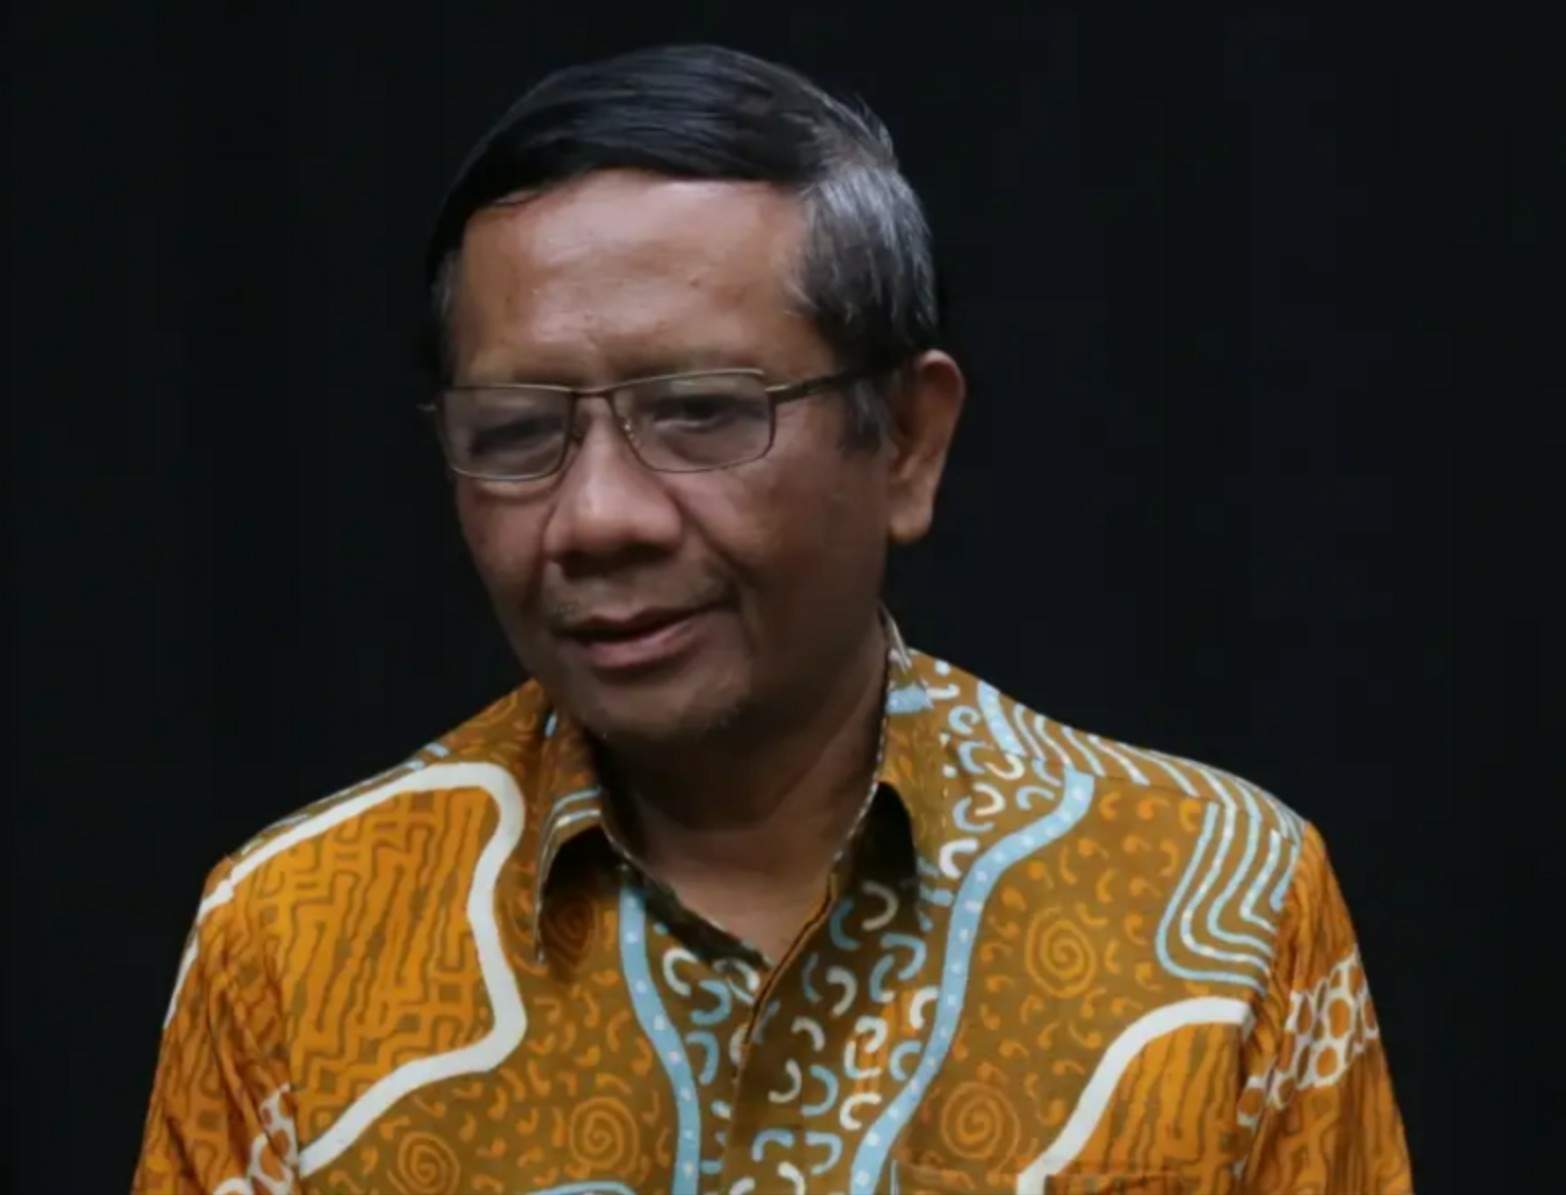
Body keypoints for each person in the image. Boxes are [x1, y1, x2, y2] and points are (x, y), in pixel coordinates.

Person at [133, 44, 1411, 1195]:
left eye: (699, 412)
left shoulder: (1218, 902)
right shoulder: (296, 937)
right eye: (517, 433)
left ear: (905, 441)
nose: (597, 518)